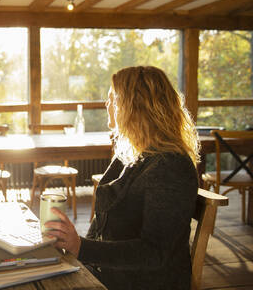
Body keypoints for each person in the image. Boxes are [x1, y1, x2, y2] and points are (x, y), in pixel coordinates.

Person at [45, 66, 201, 290]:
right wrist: (74, 250)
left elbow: (155, 252)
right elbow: (101, 224)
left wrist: (82, 248)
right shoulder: (131, 156)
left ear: (136, 106)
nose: (107, 105)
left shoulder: (171, 167)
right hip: (111, 275)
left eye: (113, 99)